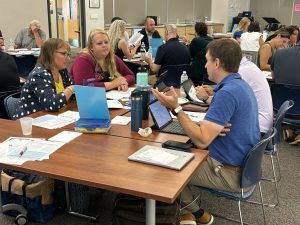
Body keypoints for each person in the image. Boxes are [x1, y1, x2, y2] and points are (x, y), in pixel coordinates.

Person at [152, 39, 260, 225]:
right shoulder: (239, 85)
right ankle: (190, 213)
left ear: (217, 63)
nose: (204, 65)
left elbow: (202, 141)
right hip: (242, 166)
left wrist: (176, 108)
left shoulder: (227, 94)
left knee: (164, 166)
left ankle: (193, 211)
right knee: (180, 148)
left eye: (207, 60)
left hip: (230, 173)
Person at [197, 56, 273, 135]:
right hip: (257, 123)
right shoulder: (248, 66)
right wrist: (214, 92)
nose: (205, 65)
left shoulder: (241, 72)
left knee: (205, 131)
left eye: (208, 60)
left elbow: (225, 103)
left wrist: (205, 98)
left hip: (257, 128)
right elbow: (235, 98)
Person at [14, 38, 74, 119]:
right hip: (30, 120)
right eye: (63, 54)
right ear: (50, 54)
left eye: (68, 54)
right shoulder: (39, 74)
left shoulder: (62, 71)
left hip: (51, 117)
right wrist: (71, 88)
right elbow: (51, 104)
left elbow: (72, 96)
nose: (68, 58)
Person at [69, 29, 135, 91]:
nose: (104, 45)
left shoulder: (112, 57)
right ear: (91, 47)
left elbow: (131, 76)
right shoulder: (83, 59)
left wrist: (122, 83)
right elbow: (84, 86)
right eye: (99, 43)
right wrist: (113, 84)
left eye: (106, 42)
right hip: (78, 100)